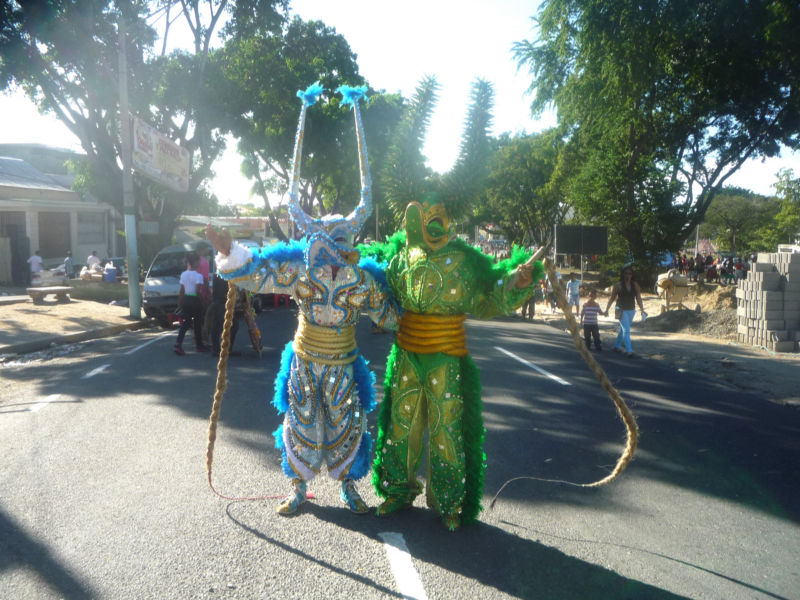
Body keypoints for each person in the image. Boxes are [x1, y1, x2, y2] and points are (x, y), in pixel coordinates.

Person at [209, 84, 399, 517]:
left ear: (349, 242)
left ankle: (350, 488)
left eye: (339, 240)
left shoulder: (360, 280)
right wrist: (229, 252)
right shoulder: (300, 271)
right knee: (298, 422)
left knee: (349, 423)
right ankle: (297, 488)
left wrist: (419, 311)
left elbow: (389, 313)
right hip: (305, 358)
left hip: (344, 363)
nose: (331, 247)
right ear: (315, 242)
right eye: (325, 240)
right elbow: (259, 275)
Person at [365, 191, 543, 531]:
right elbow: (377, 281)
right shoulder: (401, 255)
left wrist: (517, 280)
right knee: (400, 426)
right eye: (425, 220)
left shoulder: (464, 260)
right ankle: (398, 491)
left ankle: (449, 501)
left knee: (446, 431)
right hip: (405, 354)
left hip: (445, 359)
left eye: (437, 219)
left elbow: (490, 293)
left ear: (447, 221)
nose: (432, 226)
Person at [604, 265, 645, 357]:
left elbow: (638, 297)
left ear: (632, 275)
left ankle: (617, 346)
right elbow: (612, 298)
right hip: (620, 309)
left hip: (631, 310)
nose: (628, 275)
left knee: (623, 329)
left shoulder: (635, 285)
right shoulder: (618, 285)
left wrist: (642, 309)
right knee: (626, 330)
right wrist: (606, 309)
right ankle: (629, 350)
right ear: (623, 274)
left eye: (630, 273)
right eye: (626, 273)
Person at [174, 253, 209, 355]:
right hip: (195, 300)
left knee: (186, 323)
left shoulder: (183, 274)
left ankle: (178, 344)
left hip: (186, 299)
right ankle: (199, 345)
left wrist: (179, 303)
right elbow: (198, 292)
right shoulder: (199, 276)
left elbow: (182, 290)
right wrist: (204, 301)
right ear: (196, 262)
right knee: (197, 324)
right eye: (199, 261)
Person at [209, 273, 240, 358]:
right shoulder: (222, 274)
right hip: (222, 302)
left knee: (219, 326)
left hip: (220, 301)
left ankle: (218, 348)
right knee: (229, 325)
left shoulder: (222, 274)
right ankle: (224, 348)